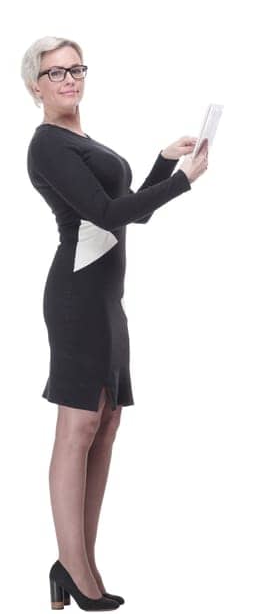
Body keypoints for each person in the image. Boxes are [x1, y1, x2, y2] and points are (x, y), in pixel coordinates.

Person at [21, 36, 207, 612]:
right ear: (35, 86)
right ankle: (73, 566)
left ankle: (82, 564)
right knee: (76, 426)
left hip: (106, 298)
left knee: (106, 423)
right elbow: (103, 214)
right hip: (76, 296)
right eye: (56, 74)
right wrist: (184, 181)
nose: (70, 80)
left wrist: (162, 163)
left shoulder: (81, 138)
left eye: (76, 69)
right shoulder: (48, 145)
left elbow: (134, 209)